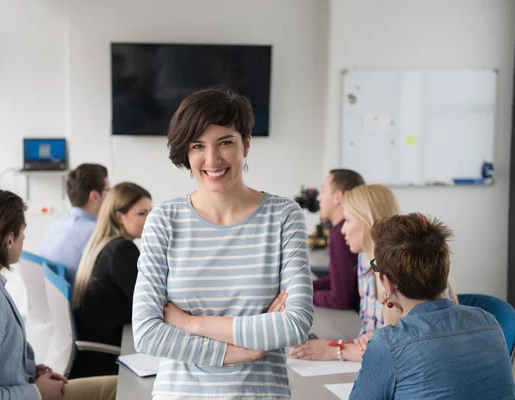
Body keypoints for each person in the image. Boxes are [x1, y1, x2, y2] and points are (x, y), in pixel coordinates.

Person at [132, 87, 314, 399]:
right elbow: (148, 334)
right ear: (186, 153)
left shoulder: (284, 216)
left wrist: (191, 323)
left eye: (225, 142)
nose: (212, 159)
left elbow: (295, 325)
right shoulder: (164, 220)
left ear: (246, 143)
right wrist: (244, 351)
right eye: (197, 145)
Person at [0, 190, 117, 400]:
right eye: (23, 231)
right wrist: (37, 391)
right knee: (121, 387)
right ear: (8, 239)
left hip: (20, 386)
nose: (24, 238)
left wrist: (28, 370)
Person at [350, 213, 515, 399]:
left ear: (387, 283)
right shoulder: (489, 322)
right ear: (444, 270)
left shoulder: (389, 343)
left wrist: (392, 318)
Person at [290, 184, 458, 362]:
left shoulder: (396, 272)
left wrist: (338, 350)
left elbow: (401, 351)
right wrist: (363, 341)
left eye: (347, 220)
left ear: (368, 221)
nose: (342, 230)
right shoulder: (364, 261)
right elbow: (376, 336)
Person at [70, 182, 152, 379]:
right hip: (107, 358)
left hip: (93, 356)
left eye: (151, 212)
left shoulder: (104, 246)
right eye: (141, 214)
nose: (150, 219)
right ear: (119, 216)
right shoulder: (122, 250)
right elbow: (149, 305)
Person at [39, 163, 109, 284]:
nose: (112, 196)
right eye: (108, 190)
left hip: (54, 299)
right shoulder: (96, 232)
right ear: (95, 196)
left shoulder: (57, 224)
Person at [312, 169, 364, 309]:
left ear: (337, 197)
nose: (319, 197)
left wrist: (301, 298)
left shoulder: (341, 235)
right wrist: (305, 288)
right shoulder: (351, 230)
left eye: (323, 191)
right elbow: (339, 279)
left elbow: (340, 299)